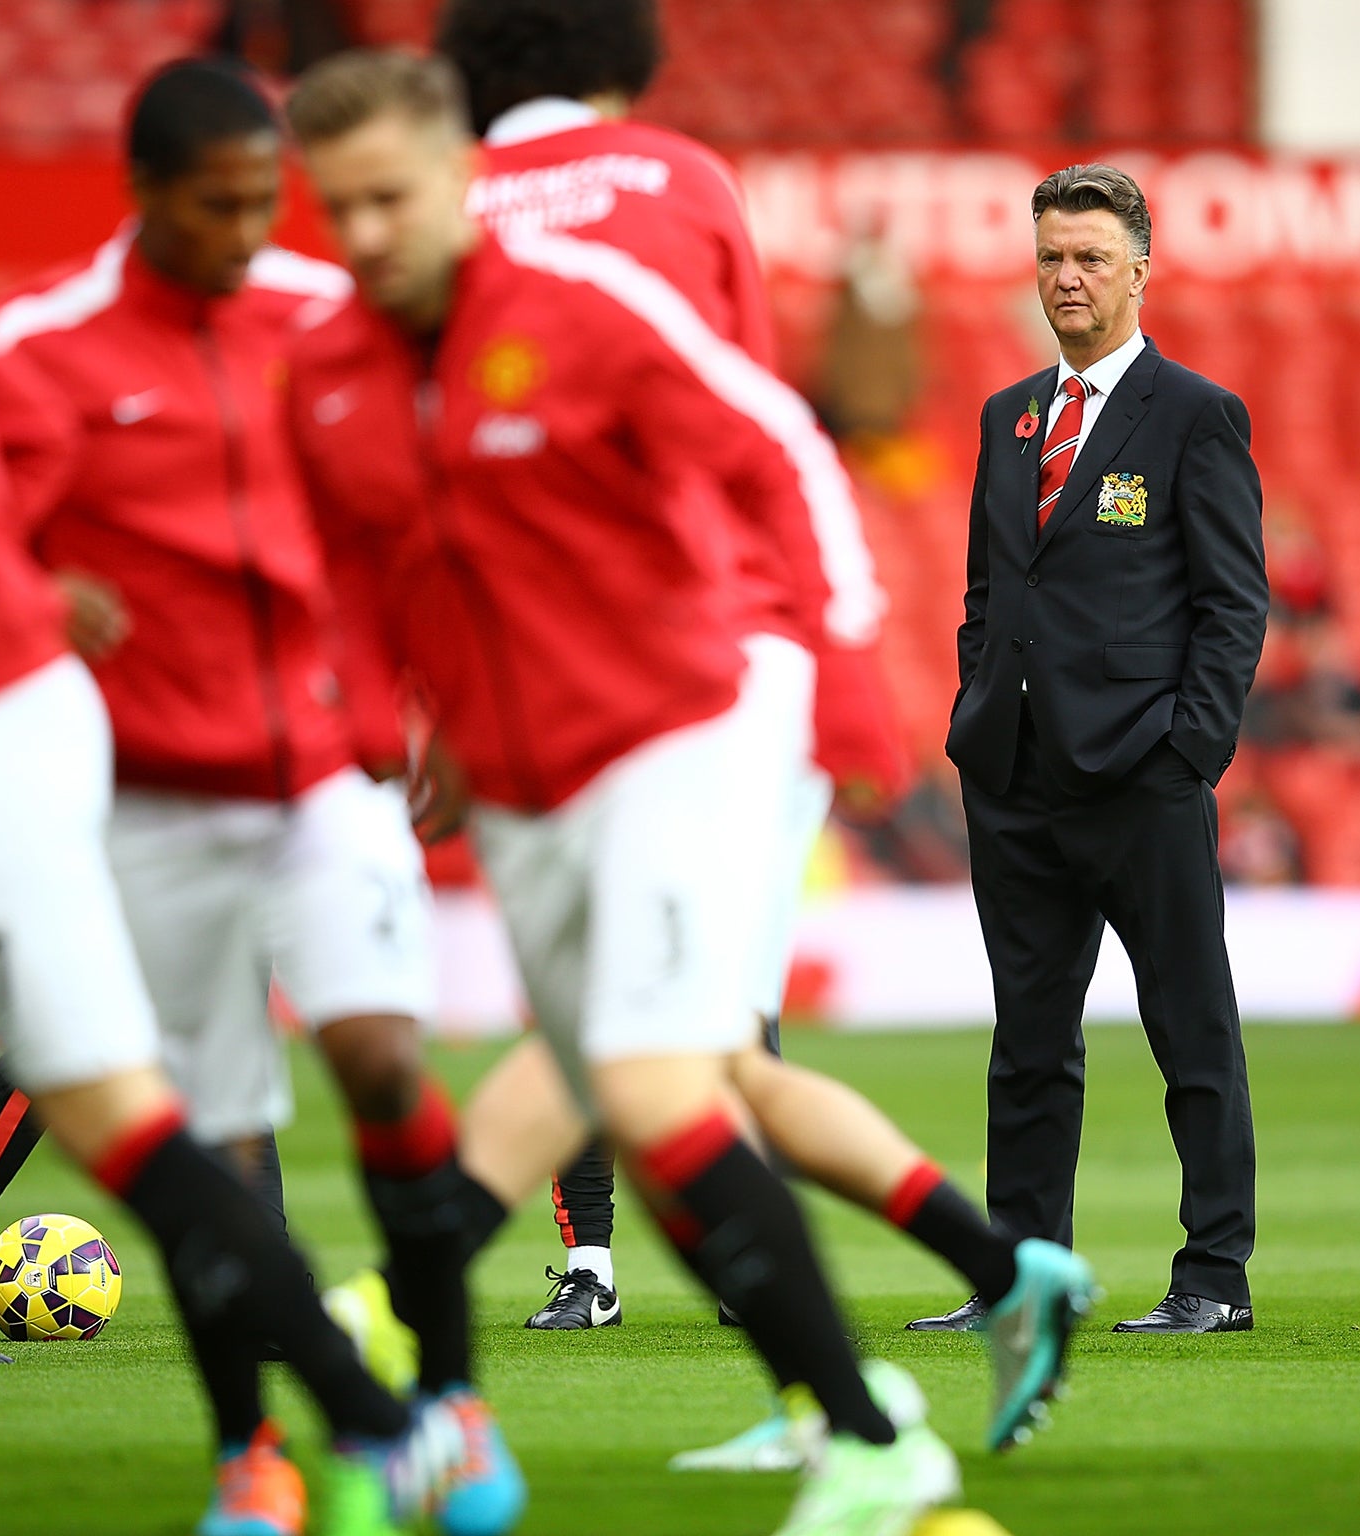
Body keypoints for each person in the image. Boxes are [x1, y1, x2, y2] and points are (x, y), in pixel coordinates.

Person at [282, 48, 1089, 1533]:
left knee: (653, 1083)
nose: (372, 233)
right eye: (342, 210)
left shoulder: (583, 311)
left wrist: (844, 675)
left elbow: (779, 445)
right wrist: (395, 723)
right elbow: (354, 576)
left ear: (463, 176)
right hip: (521, 785)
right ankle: (970, 1293)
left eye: (394, 196)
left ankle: (862, 1442)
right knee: (658, 1089)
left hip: (678, 733)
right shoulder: (328, 374)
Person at [0, 13, 500, 1535]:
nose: (255, 233)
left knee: (166, 1100)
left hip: (16, 732)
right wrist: (23, 575)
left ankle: (396, 1420)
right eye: (223, 200)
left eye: (267, 200)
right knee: (143, 1106)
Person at [436, 0, 912, 1335]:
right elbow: (749, 420)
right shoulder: (685, 180)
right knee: (700, 1023)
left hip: (533, 666)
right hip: (719, 656)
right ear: (622, 62)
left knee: (614, 1014)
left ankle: (499, 1280)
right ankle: (934, 1306)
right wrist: (838, 661)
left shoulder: (444, 207)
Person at [921, 162, 1268, 1337]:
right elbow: (985, 588)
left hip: (1141, 780)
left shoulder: (1195, 415)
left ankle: (1212, 1277)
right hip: (1013, 780)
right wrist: (979, 706)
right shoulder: (1007, 414)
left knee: (1191, 1032)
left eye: (1089, 258)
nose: (1065, 277)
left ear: (1138, 270)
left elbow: (1232, 605)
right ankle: (1022, 1279)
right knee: (1026, 1045)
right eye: (1051, 256)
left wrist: (1186, 754)